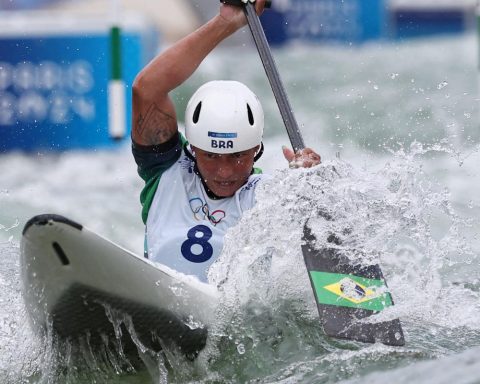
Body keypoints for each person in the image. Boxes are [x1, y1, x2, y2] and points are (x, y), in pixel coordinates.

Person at [131, 0, 321, 283]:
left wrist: (314, 187)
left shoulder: (272, 197)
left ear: (257, 149)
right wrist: (226, 23)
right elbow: (146, 89)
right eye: (211, 156)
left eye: (237, 156)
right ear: (193, 148)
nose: (225, 172)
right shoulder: (164, 170)